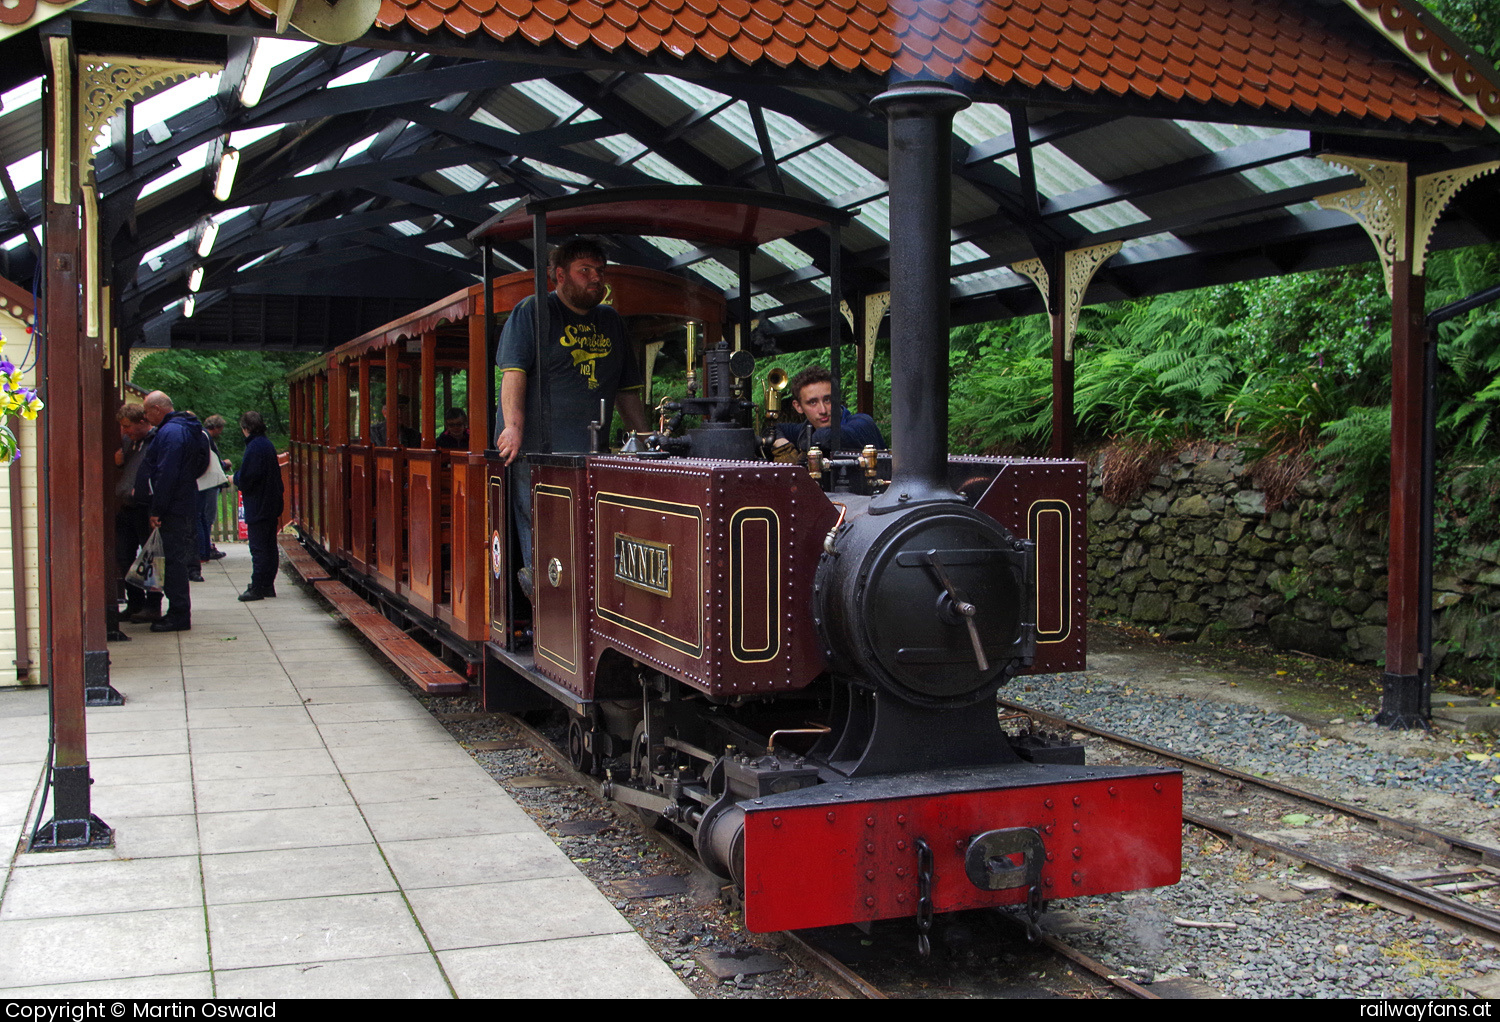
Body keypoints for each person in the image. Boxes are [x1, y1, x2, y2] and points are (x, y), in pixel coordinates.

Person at [494, 236, 649, 593]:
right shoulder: (532, 311)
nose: (596, 278)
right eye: (585, 271)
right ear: (560, 275)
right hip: (537, 453)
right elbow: (514, 373)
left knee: (592, 535)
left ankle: (588, 610)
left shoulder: (611, 321)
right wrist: (513, 429)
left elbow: (626, 391)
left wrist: (644, 440)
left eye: (600, 271)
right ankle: (544, 610)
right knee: (544, 537)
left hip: (592, 455)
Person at [138, 391, 210, 632]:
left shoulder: (171, 433)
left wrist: (158, 507)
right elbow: (200, 463)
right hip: (182, 500)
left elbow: (166, 473)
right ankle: (178, 611)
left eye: (147, 412)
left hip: (173, 507)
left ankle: (178, 614)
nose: (146, 418)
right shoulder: (188, 429)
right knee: (174, 559)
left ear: (157, 410)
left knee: (172, 561)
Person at [112, 402, 161, 633]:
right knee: (124, 556)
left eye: (128, 426)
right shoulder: (129, 443)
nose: (125, 431)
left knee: (152, 556)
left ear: (143, 422)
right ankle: (135, 602)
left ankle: (153, 605)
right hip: (126, 506)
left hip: (145, 507)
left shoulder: (157, 441)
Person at [774, 365, 884, 455]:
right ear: (798, 406)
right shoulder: (805, 430)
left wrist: (805, 446)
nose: (823, 410)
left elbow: (827, 437)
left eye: (827, 400)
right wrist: (781, 443)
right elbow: (775, 429)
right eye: (813, 402)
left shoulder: (862, 423)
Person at [234, 410, 285, 602]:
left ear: (245, 428)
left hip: (259, 503)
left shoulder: (254, 447)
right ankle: (266, 584)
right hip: (271, 502)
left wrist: (236, 478)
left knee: (259, 547)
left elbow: (248, 478)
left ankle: (258, 586)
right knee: (269, 545)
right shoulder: (266, 444)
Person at [198, 414, 231, 563]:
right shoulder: (206, 438)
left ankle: (206, 547)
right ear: (216, 427)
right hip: (209, 483)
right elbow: (210, 461)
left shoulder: (203, 437)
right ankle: (206, 548)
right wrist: (224, 465)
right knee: (207, 515)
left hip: (206, 483)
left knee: (204, 516)